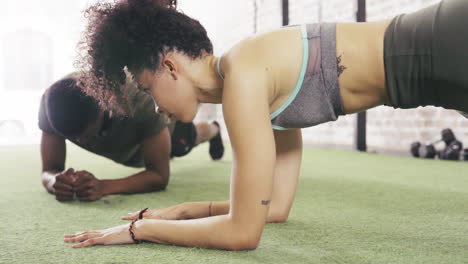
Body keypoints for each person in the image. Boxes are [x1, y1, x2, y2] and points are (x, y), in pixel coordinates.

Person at [65, 0, 468, 250]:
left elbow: (242, 233)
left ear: (169, 67)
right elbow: (273, 208)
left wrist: (141, 231)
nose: (154, 107)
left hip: (451, 44)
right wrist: (182, 211)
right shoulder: (256, 85)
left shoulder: (243, 78)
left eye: (148, 89)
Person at [40, 72, 224, 202]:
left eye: (88, 136)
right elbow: (49, 170)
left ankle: (214, 129)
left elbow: (159, 176)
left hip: (168, 129)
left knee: (191, 139)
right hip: (136, 138)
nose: (84, 143)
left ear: (106, 108)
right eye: (75, 139)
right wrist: (55, 181)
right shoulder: (51, 106)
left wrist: (104, 187)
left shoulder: (143, 104)